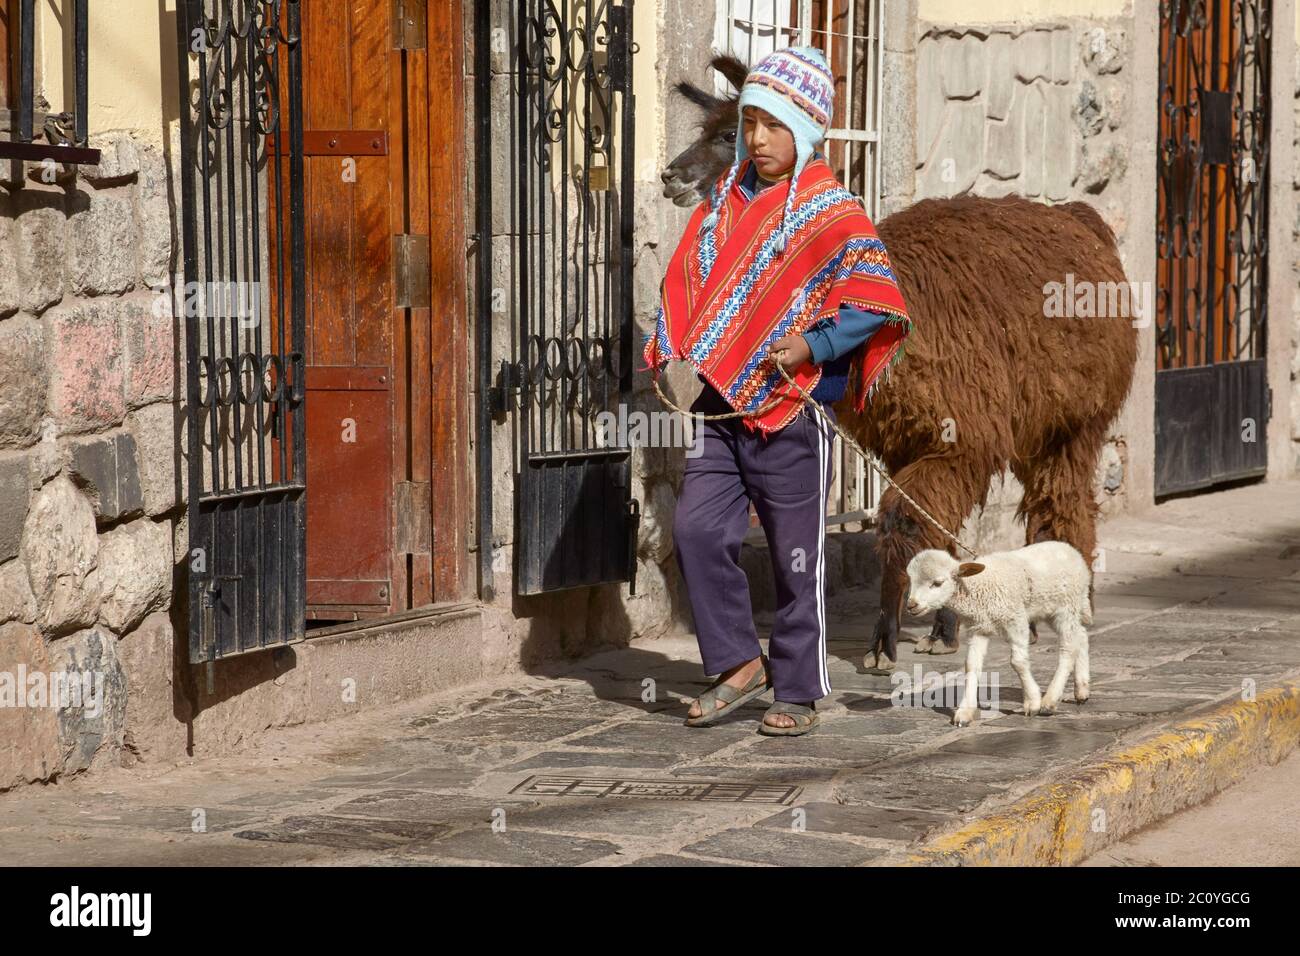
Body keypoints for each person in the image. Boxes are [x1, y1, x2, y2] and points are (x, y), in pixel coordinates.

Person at [642, 47, 912, 735]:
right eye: (751, 123)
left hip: (793, 409)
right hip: (721, 405)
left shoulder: (833, 212)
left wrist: (812, 346)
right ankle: (737, 665)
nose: (758, 139)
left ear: (807, 129)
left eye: (774, 124)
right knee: (696, 530)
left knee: (797, 555)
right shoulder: (725, 201)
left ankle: (795, 687)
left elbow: (874, 300)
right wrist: (672, 339)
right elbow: (687, 277)